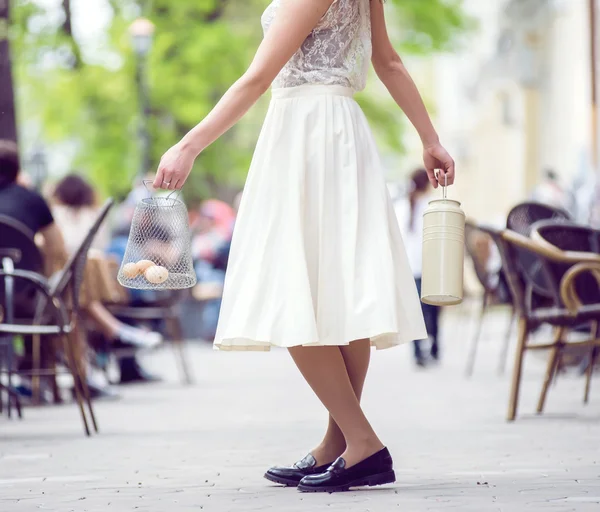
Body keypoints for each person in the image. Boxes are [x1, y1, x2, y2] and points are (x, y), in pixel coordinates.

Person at [152, 0, 455, 493]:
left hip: (305, 132)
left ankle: (363, 442)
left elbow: (257, 77)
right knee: (338, 287)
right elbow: (389, 61)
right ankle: (340, 442)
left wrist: (189, 145)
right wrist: (430, 138)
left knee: (287, 281)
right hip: (336, 132)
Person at [395, 168, 441, 367]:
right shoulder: (431, 206)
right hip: (429, 266)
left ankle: (418, 352)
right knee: (432, 310)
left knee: (416, 311)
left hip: (409, 268)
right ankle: (434, 347)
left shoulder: (401, 206)